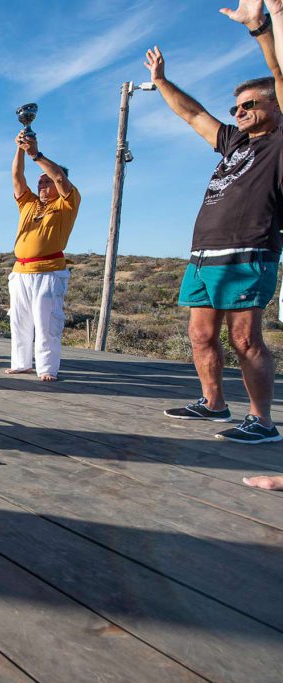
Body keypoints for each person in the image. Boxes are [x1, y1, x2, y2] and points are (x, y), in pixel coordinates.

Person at [154, 1, 283, 443]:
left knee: (245, 340)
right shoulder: (234, 143)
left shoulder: (278, 142)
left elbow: (282, 76)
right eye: (236, 108)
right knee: (200, 334)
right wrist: (161, 82)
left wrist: (263, 28)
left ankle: (263, 422)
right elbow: (192, 115)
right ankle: (213, 404)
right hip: (204, 255)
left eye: (249, 105)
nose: (239, 113)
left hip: (249, 252)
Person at [7, 131, 80, 381]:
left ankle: (47, 368)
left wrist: (35, 154)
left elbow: (59, 176)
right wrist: (19, 148)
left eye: (45, 182)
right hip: (21, 271)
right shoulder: (28, 203)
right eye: (40, 182)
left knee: (47, 322)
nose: (42, 185)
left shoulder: (66, 203)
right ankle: (21, 363)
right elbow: (17, 177)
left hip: (49, 271)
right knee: (19, 321)